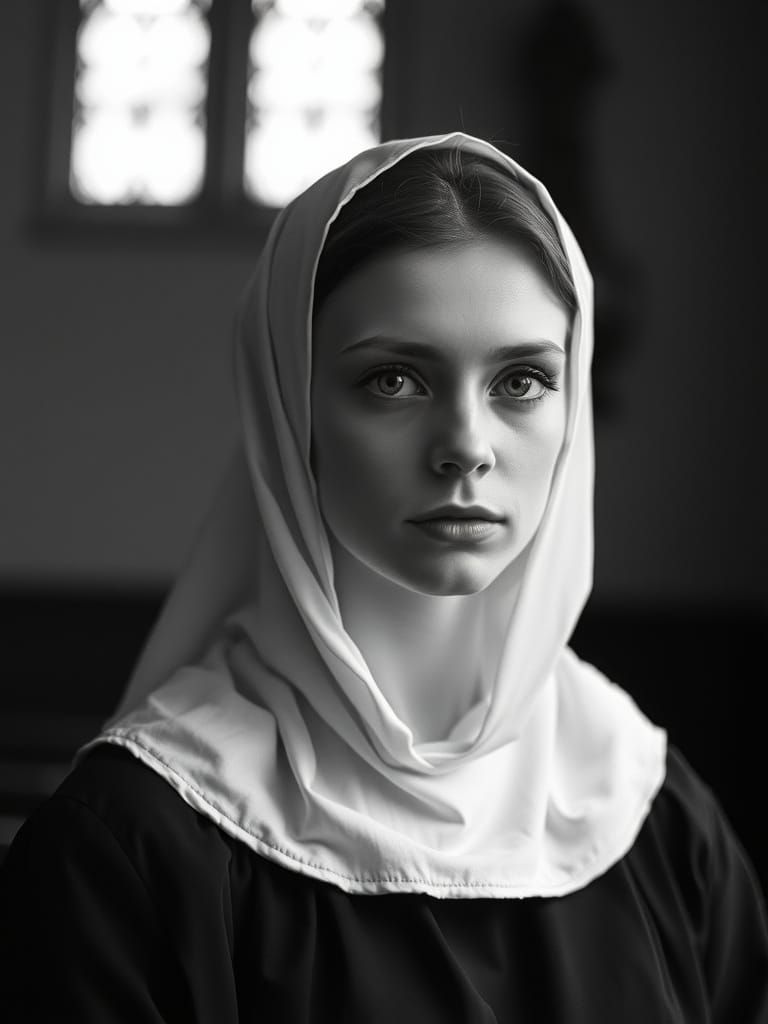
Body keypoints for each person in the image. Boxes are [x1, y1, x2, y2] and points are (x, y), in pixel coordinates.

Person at [1, 132, 766, 1022]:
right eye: (395, 380)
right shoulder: (133, 849)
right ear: (291, 405)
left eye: (522, 380)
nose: (467, 449)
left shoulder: (647, 803)